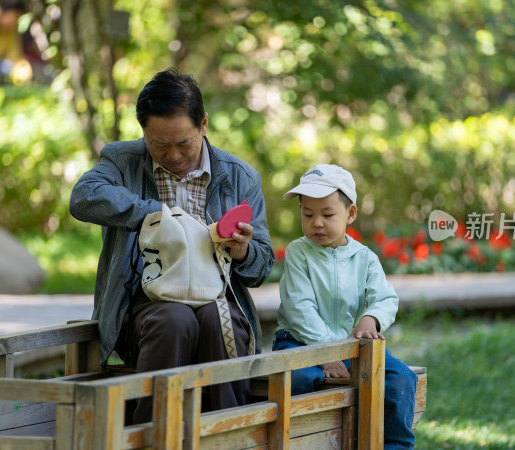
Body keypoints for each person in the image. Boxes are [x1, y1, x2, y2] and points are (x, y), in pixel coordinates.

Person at [69, 68, 274, 424]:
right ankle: (152, 435)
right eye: (159, 144)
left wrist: (243, 251)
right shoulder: (121, 161)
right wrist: (156, 214)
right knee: (174, 319)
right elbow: (83, 198)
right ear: (144, 132)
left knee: (217, 319)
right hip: (145, 306)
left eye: (184, 143)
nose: (174, 155)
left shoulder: (239, 176)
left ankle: (228, 435)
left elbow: (262, 267)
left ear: (204, 124)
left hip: (217, 298)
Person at [273, 164, 417, 449]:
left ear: (350, 213)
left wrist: (370, 320)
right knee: (300, 377)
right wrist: (326, 351)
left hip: (352, 348)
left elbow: (385, 298)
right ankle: (303, 441)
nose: (317, 223)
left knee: (401, 377)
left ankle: (394, 445)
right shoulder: (298, 253)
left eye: (327, 214)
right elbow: (299, 307)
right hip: (300, 344)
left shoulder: (364, 257)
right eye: (308, 214)